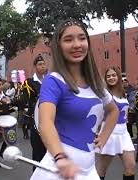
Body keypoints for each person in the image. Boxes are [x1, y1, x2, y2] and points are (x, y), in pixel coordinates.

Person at [30, 19, 119, 180]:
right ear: (58, 46)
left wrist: (104, 136)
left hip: (89, 170)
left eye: (82, 38)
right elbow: (45, 123)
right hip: (59, 169)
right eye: (68, 40)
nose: (77, 44)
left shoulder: (96, 83)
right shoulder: (54, 81)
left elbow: (113, 110)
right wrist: (60, 157)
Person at [96, 67, 135, 180]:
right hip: (109, 133)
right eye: (108, 76)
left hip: (123, 133)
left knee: (130, 166)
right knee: (101, 170)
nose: (111, 78)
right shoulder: (104, 93)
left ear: (118, 76)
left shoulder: (123, 93)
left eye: (113, 75)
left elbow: (125, 111)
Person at [17, 55, 48, 165]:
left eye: (44, 64)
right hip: (35, 121)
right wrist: (10, 103)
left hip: (51, 120)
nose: (43, 66)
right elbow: (23, 99)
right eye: (40, 64)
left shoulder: (50, 80)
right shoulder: (29, 82)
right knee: (38, 154)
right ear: (35, 66)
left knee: (50, 154)